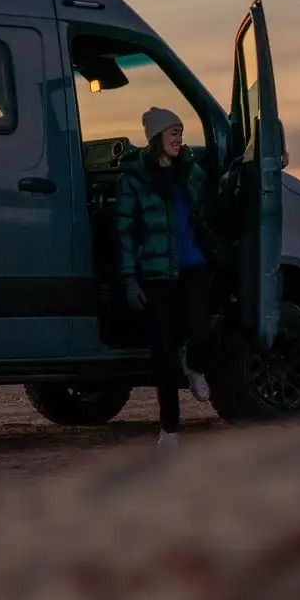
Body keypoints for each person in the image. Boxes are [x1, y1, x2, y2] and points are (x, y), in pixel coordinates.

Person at [116, 107, 217, 447]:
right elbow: (125, 232)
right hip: (157, 274)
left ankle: (196, 364)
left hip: (194, 268)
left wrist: (274, 158)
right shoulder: (134, 178)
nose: (179, 138)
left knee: (202, 334)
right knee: (163, 355)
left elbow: (219, 197)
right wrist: (130, 280)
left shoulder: (190, 170)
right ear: (156, 137)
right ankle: (170, 430)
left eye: (180, 131)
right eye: (173, 132)